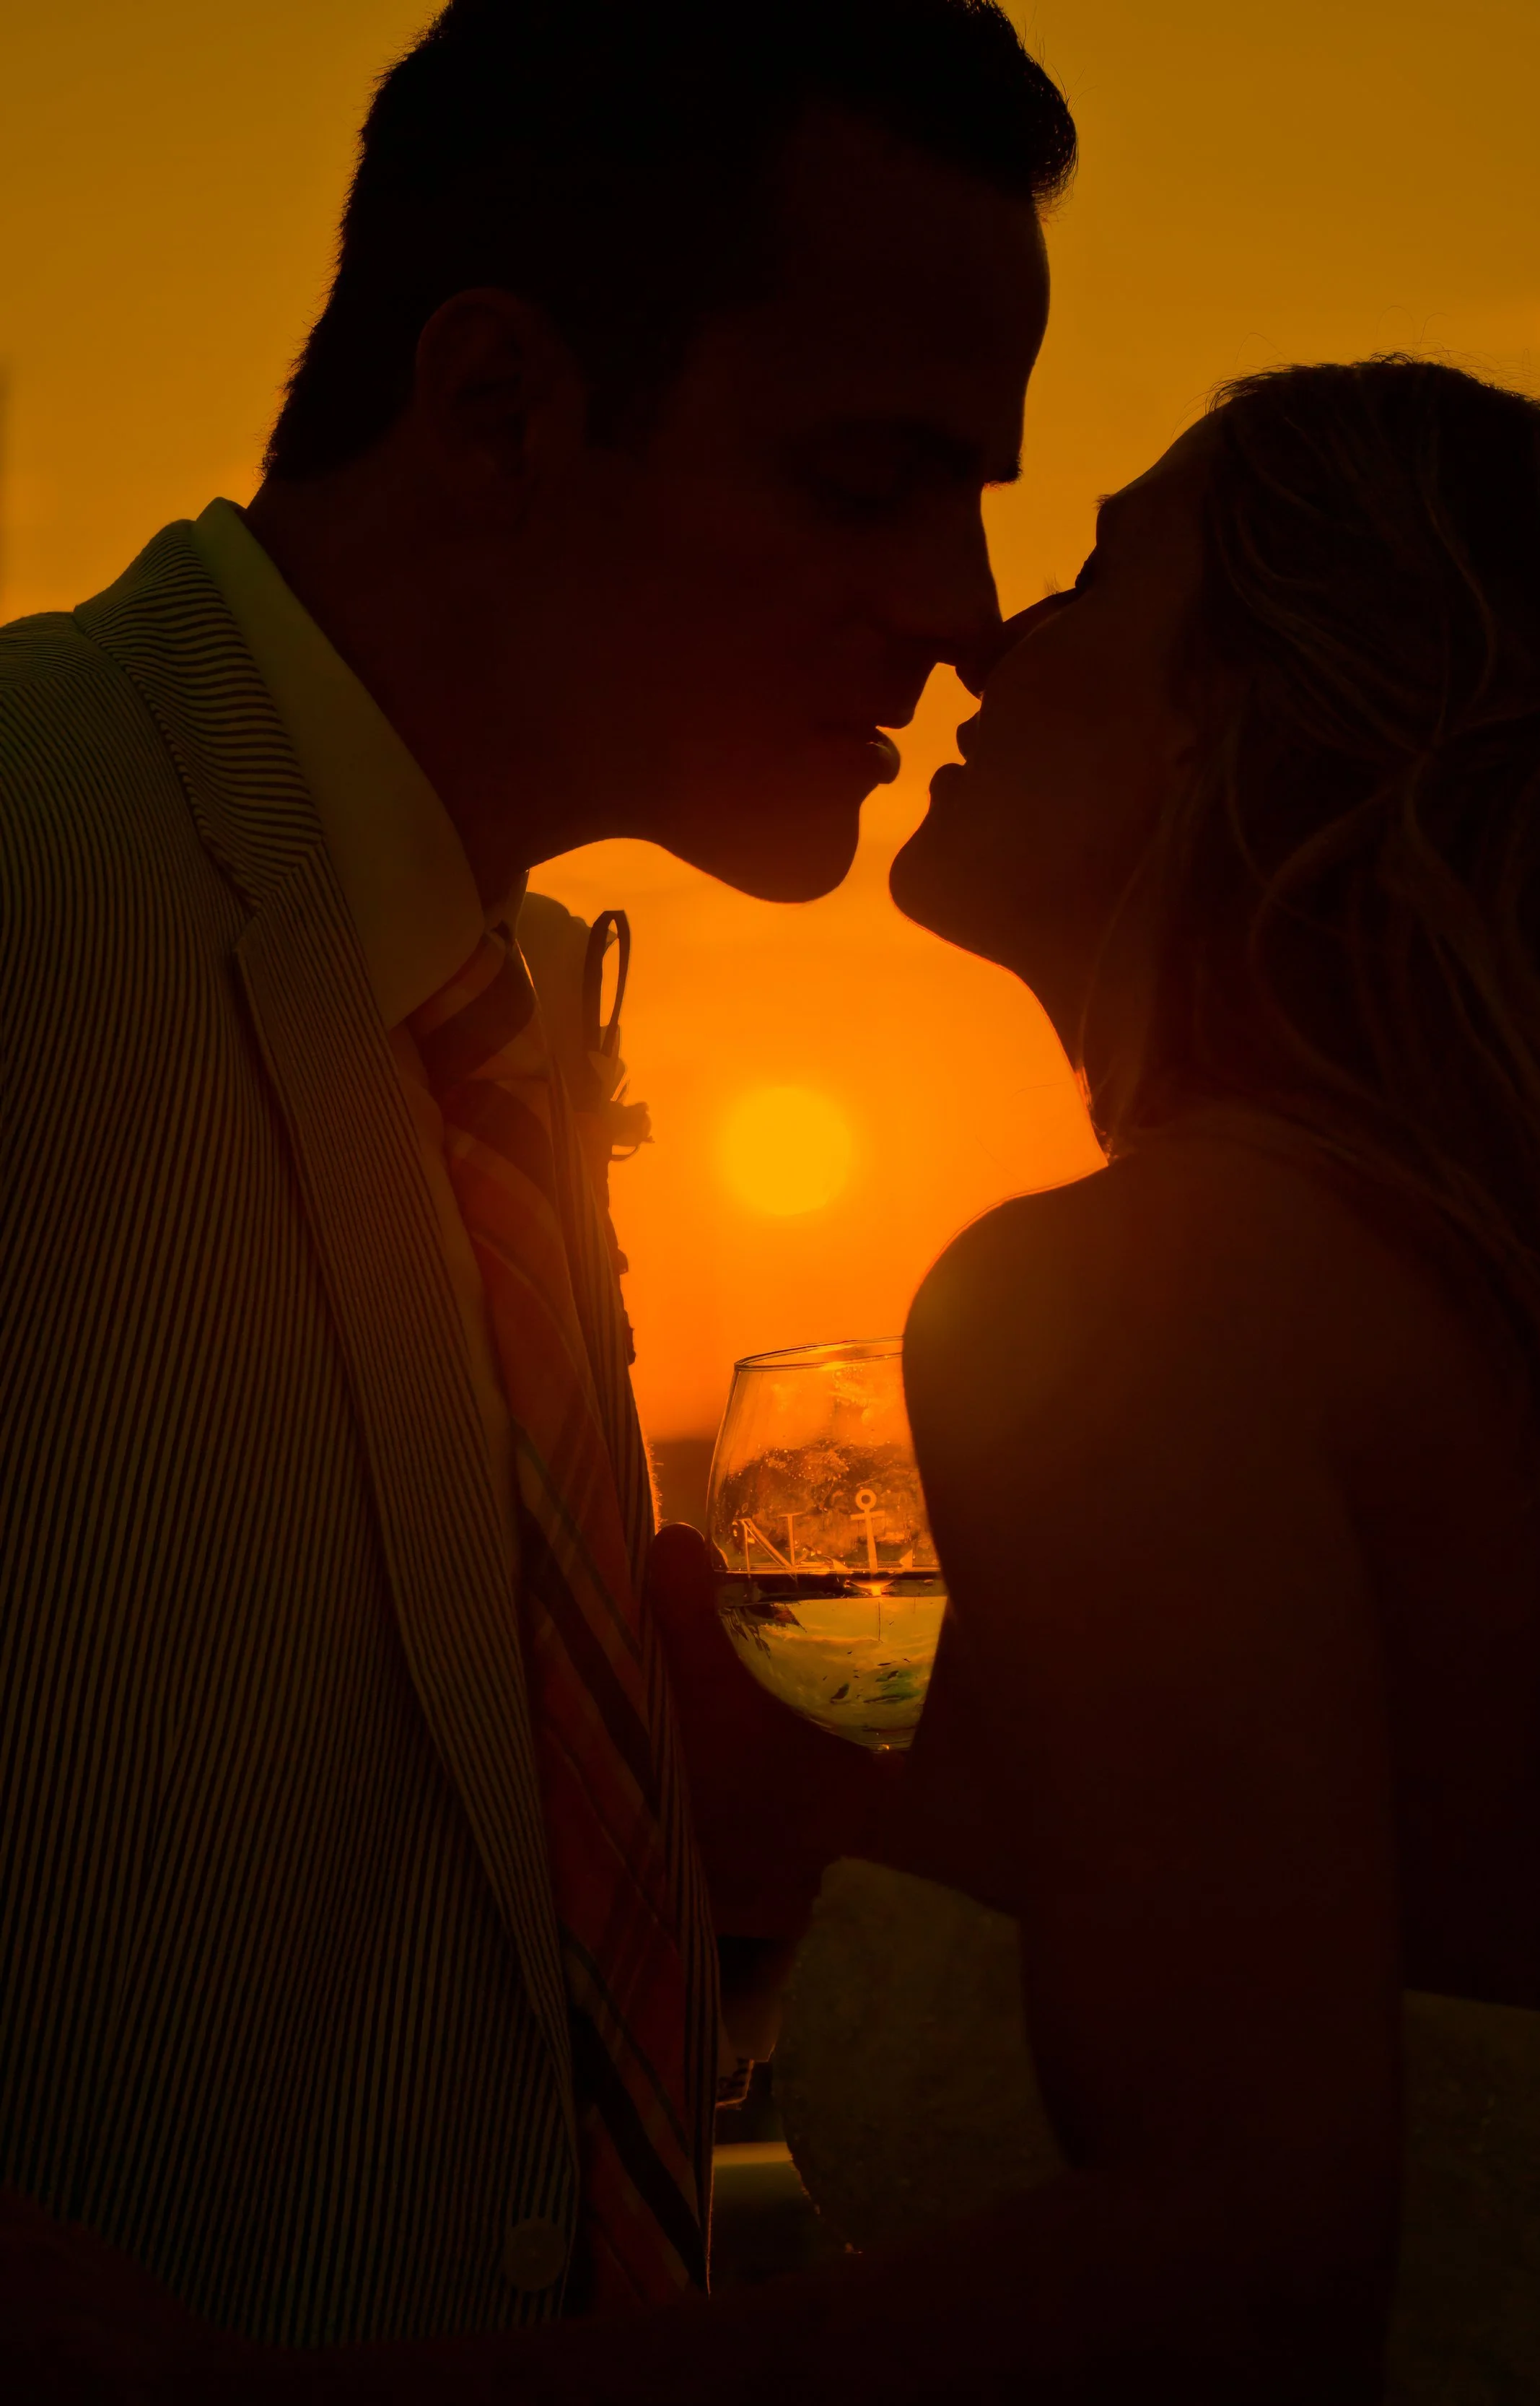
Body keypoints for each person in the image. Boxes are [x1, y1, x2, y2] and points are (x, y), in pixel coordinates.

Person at [0, 0, 1069, 2366]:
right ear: (498, 405)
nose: (964, 608)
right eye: (866, 478)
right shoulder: (25, 851)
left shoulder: (487, 1008)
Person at [751, 359, 1540, 2397]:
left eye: (1089, 579)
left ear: (1248, 715)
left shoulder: (1138, 1295)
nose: (982, 638)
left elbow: (1224, 2270)